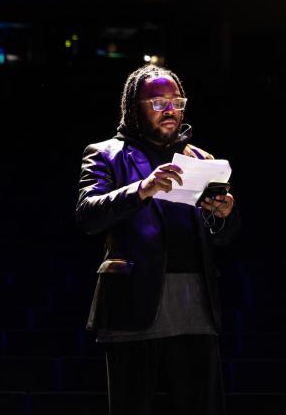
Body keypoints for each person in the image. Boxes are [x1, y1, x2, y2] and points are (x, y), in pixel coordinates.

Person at [76, 64, 241, 414]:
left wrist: (224, 215)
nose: (170, 110)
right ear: (134, 107)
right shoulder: (105, 153)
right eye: (157, 102)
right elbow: (88, 215)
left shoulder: (202, 159)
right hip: (133, 303)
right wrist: (142, 189)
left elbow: (224, 239)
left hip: (195, 305)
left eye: (176, 102)